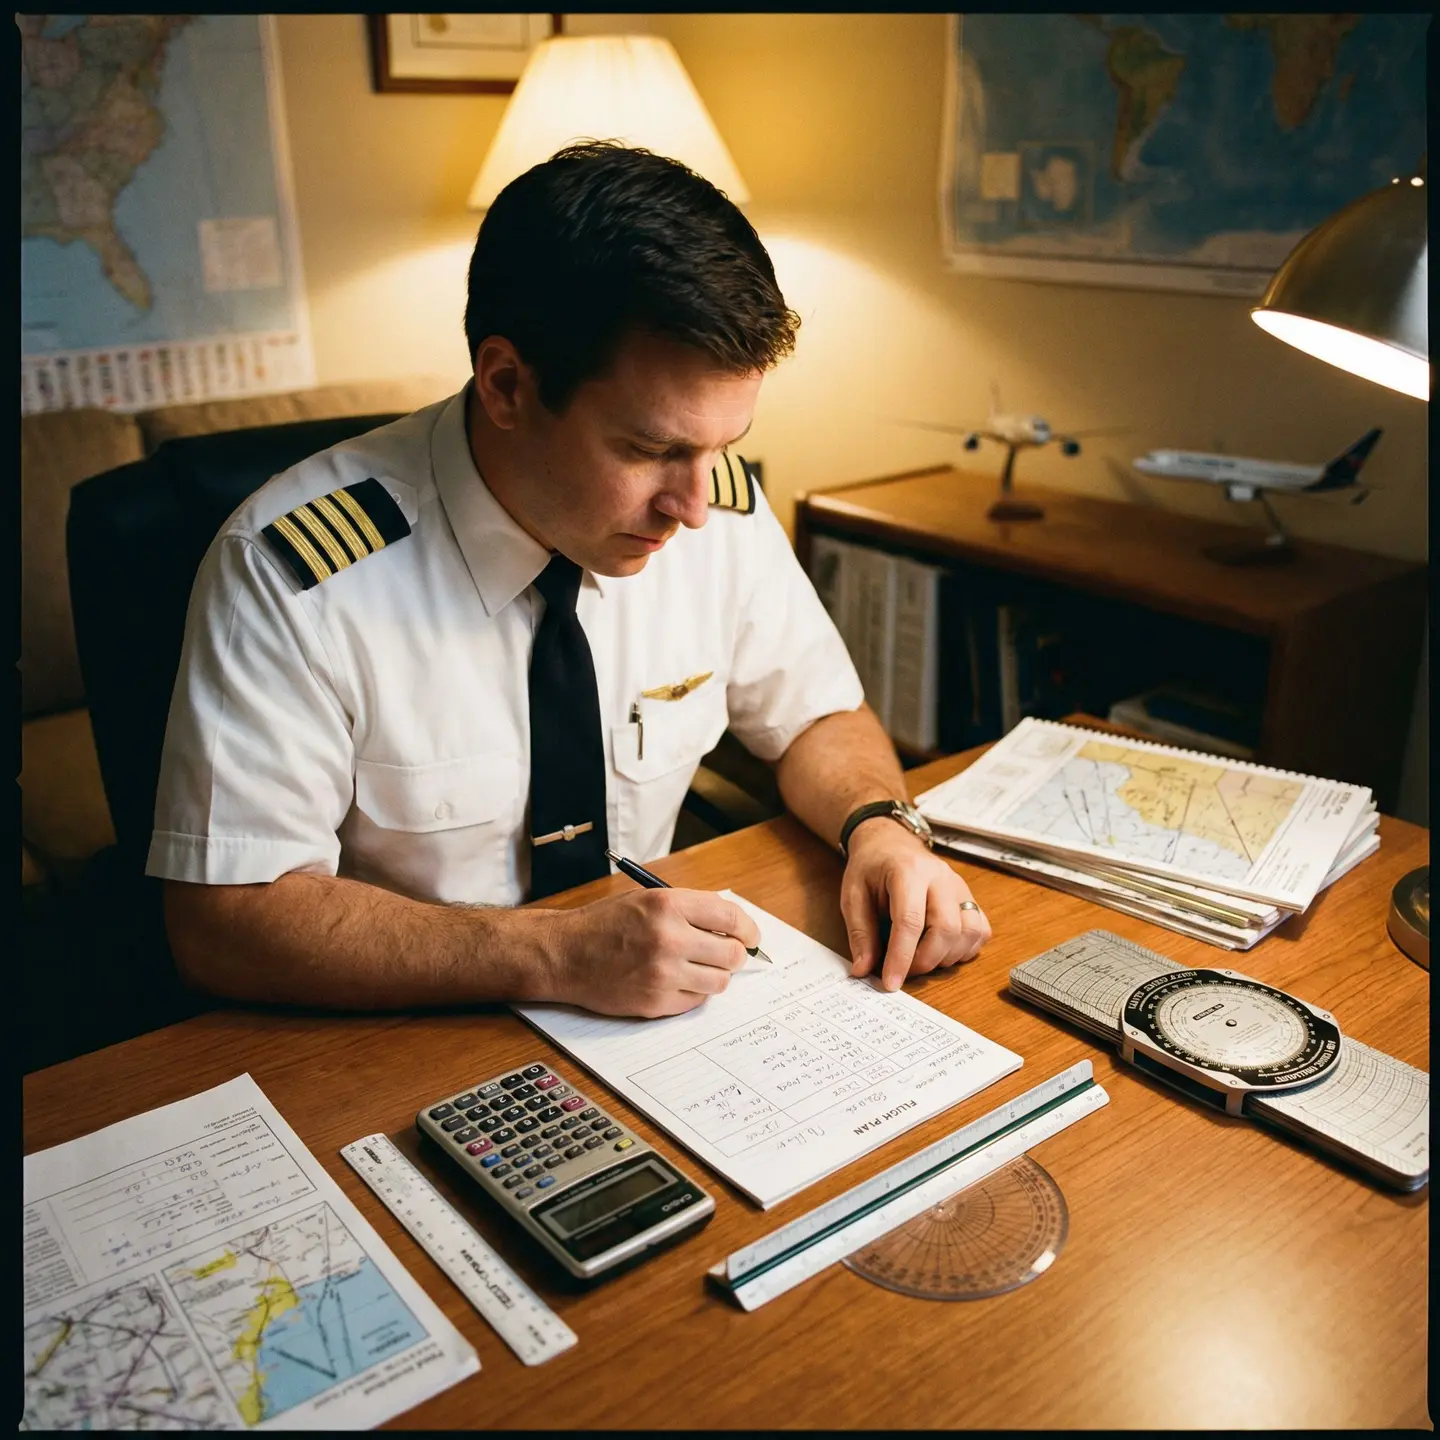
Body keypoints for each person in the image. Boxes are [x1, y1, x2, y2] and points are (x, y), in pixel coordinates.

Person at [149, 141, 990, 1020]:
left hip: (662, 1009)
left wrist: (882, 828)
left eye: (721, 448)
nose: (694, 505)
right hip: (402, 1027)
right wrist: (554, 954)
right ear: (507, 386)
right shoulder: (291, 569)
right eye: (651, 449)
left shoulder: (717, 513)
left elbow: (816, 713)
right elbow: (222, 920)